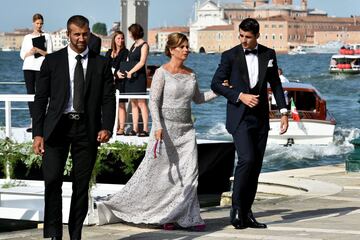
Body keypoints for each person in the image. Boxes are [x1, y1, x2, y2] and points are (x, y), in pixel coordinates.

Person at [96, 33, 217, 230]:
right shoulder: (162, 72)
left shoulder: (192, 74)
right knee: (163, 176)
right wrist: (158, 126)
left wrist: (220, 91)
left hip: (186, 132)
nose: (186, 50)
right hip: (164, 131)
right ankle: (166, 216)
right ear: (171, 50)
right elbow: (153, 102)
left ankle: (190, 216)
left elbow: (199, 99)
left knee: (189, 175)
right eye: (182, 46)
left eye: (187, 46)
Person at [32, 15, 115, 240]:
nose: (81, 38)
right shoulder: (52, 61)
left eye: (84, 34)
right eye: (76, 34)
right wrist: (38, 133)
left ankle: (75, 234)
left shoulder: (101, 63)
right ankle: (54, 233)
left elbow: (108, 98)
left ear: (89, 34)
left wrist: (107, 126)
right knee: (52, 181)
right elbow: (40, 99)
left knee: (80, 185)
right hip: (56, 128)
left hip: (87, 129)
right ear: (68, 35)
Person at [211, 18, 289, 230]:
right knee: (247, 159)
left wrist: (284, 112)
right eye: (241, 36)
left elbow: (276, 85)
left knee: (255, 166)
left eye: (248, 37)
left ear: (257, 36)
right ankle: (236, 209)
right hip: (239, 117)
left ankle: (247, 212)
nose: (243, 40)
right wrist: (239, 96)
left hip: (261, 118)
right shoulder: (230, 55)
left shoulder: (268, 54)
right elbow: (216, 84)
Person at [20, 13, 53, 132]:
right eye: (37, 23)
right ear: (33, 23)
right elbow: (22, 55)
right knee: (30, 93)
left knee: (41, 94)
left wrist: (39, 50)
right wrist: (31, 51)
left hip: (41, 68)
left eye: (41, 23)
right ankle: (32, 121)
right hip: (28, 67)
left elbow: (50, 54)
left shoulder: (47, 36)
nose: (39, 25)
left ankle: (40, 121)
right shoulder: (27, 37)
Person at [118, 23, 149, 137]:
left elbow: (142, 62)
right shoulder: (133, 46)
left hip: (139, 78)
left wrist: (131, 72)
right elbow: (129, 61)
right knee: (133, 103)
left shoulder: (144, 45)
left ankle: (145, 128)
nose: (129, 35)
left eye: (130, 32)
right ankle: (135, 128)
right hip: (130, 78)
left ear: (135, 32)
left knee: (141, 102)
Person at [105, 31, 129, 135]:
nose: (120, 40)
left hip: (121, 82)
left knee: (121, 105)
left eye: (122, 38)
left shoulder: (125, 52)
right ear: (114, 39)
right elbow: (105, 67)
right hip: (110, 82)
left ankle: (122, 128)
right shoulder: (108, 52)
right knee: (111, 105)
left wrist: (115, 73)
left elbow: (122, 67)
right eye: (118, 38)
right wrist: (114, 74)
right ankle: (113, 126)